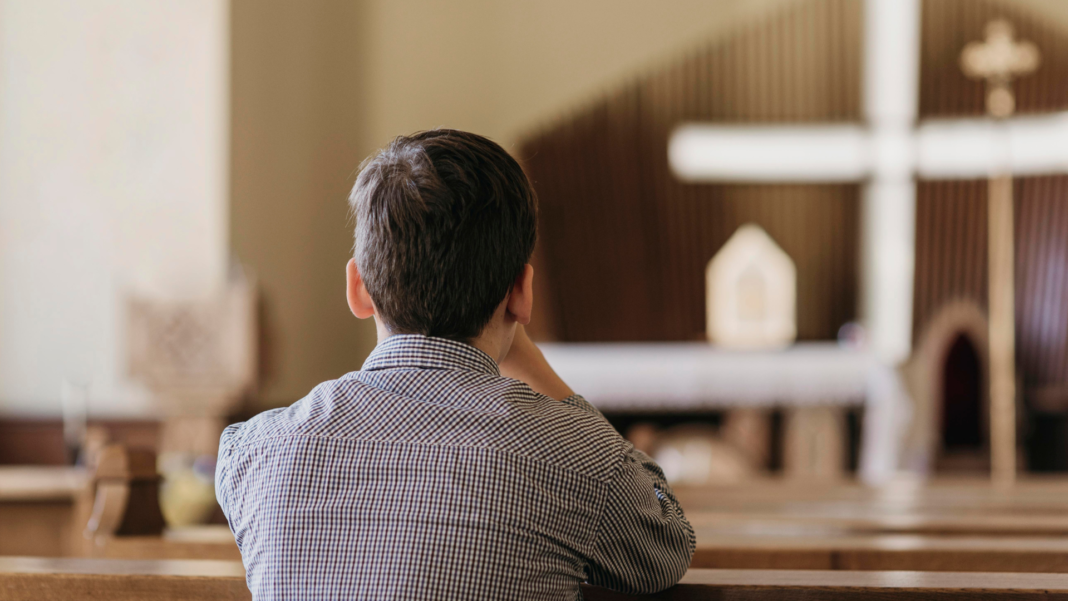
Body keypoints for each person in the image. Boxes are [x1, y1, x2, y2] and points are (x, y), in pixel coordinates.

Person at [215, 129, 695, 600]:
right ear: (521, 294)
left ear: (358, 288)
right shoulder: (573, 456)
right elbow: (665, 550)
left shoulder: (255, 453)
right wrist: (545, 380)